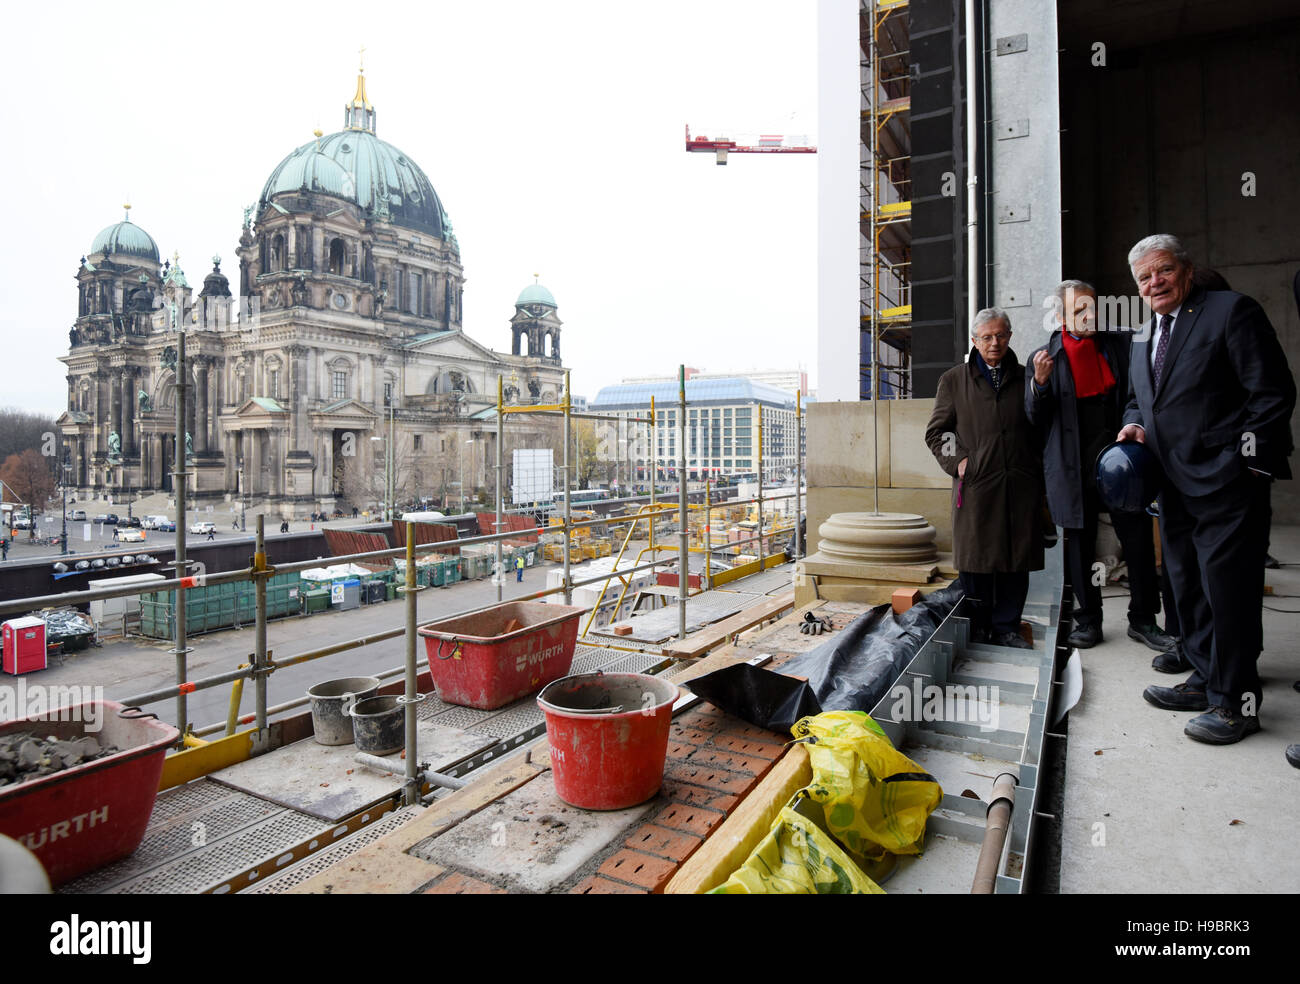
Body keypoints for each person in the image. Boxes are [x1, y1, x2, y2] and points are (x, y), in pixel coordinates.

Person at [1118, 234, 1296, 745]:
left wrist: (1238, 464)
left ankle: (1236, 704)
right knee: (1188, 590)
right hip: (1170, 484)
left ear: (1187, 271)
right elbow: (1138, 399)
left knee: (1230, 594)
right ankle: (1203, 679)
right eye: (1144, 278)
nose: (1155, 283)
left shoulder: (1230, 311)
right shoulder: (1142, 333)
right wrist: (1134, 425)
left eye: (1163, 271)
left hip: (1227, 483)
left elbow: (1272, 393)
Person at [1025, 280, 1175, 652]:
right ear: (1059, 316)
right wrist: (1040, 386)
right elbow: (1033, 419)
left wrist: (1132, 425)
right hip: (1072, 469)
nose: (1088, 315)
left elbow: (1137, 395)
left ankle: (1143, 619)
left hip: (1122, 466)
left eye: (1092, 307)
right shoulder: (1043, 357)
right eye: (1078, 310)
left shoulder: (1120, 346)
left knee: (1138, 543)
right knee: (1080, 548)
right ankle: (1088, 620)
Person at [926, 307, 1044, 649]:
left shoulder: (1026, 377)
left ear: (1009, 337)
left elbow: (1041, 426)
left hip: (1019, 485)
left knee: (1014, 560)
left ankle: (1007, 628)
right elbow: (938, 432)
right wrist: (961, 461)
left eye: (1001, 335)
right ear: (975, 341)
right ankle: (977, 629)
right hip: (977, 486)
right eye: (987, 337)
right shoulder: (954, 380)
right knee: (977, 563)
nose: (995, 343)